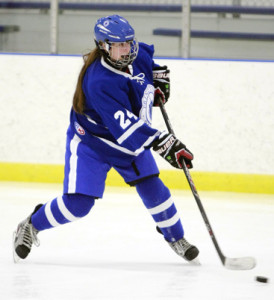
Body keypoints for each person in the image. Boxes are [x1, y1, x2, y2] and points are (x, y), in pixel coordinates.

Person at [13, 15, 199, 263]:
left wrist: (160, 78)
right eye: (119, 44)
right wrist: (164, 143)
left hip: (129, 140)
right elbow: (127, 126)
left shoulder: (136, 53)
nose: (127, 49)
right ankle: (30, 225)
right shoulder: (99, 81)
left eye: (129, 42)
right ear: (103, 46)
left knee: (155, 191)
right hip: (94, 143)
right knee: (78, 205)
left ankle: (176, 237)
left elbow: (150, 66)